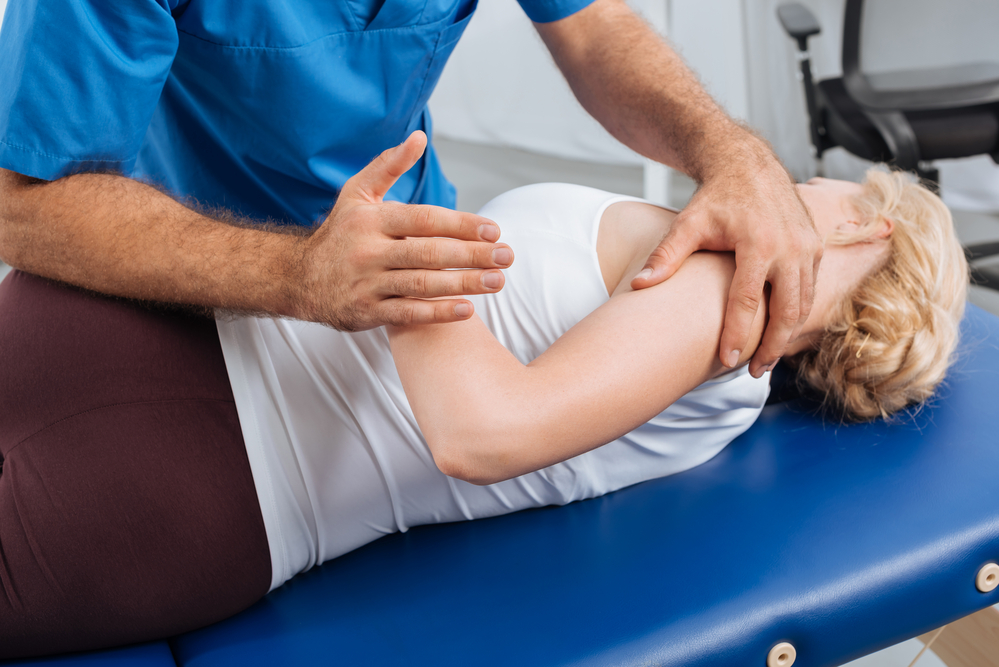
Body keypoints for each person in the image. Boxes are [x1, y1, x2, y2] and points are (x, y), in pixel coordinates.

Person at [0, 136, 968, 659]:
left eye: (847, 194)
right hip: (167, 337)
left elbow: (483, 430)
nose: (810, 182)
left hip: (198, 459)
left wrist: (384, 197)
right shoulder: (710, 285)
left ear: (862, 241)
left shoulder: (728, 308)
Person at [0, 0, 820, 379]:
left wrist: (728, 149)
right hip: (181, 290)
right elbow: (20, 204)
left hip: (402, 269)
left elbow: (594, 25)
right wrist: (295, 275)